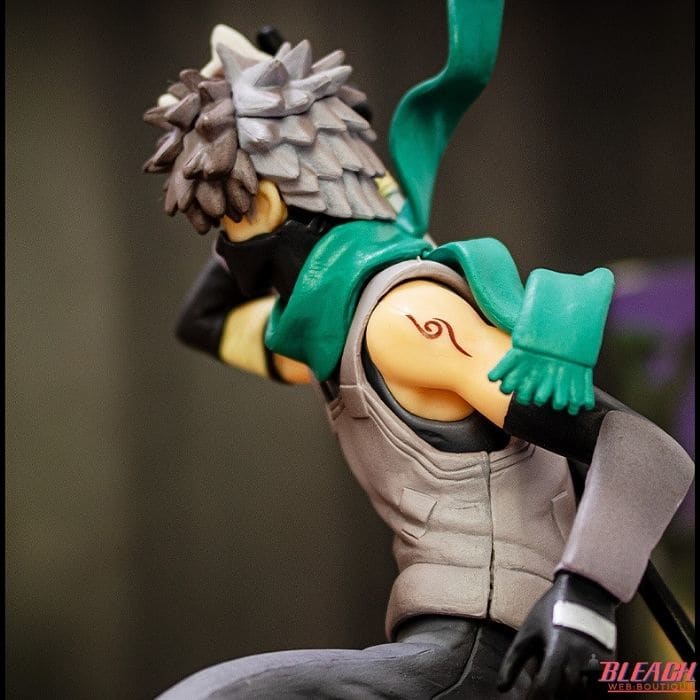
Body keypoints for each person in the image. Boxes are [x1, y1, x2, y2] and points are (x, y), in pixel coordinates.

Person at [143, 3, 694, 697]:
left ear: (265, 210)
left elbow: (643, 447)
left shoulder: (403, 319)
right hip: (451, 644)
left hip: (497, 653)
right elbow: (204, 323)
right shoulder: (330, 335)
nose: (225, 250)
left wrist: (583, 602)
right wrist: (280, 129)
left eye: (227, 223)